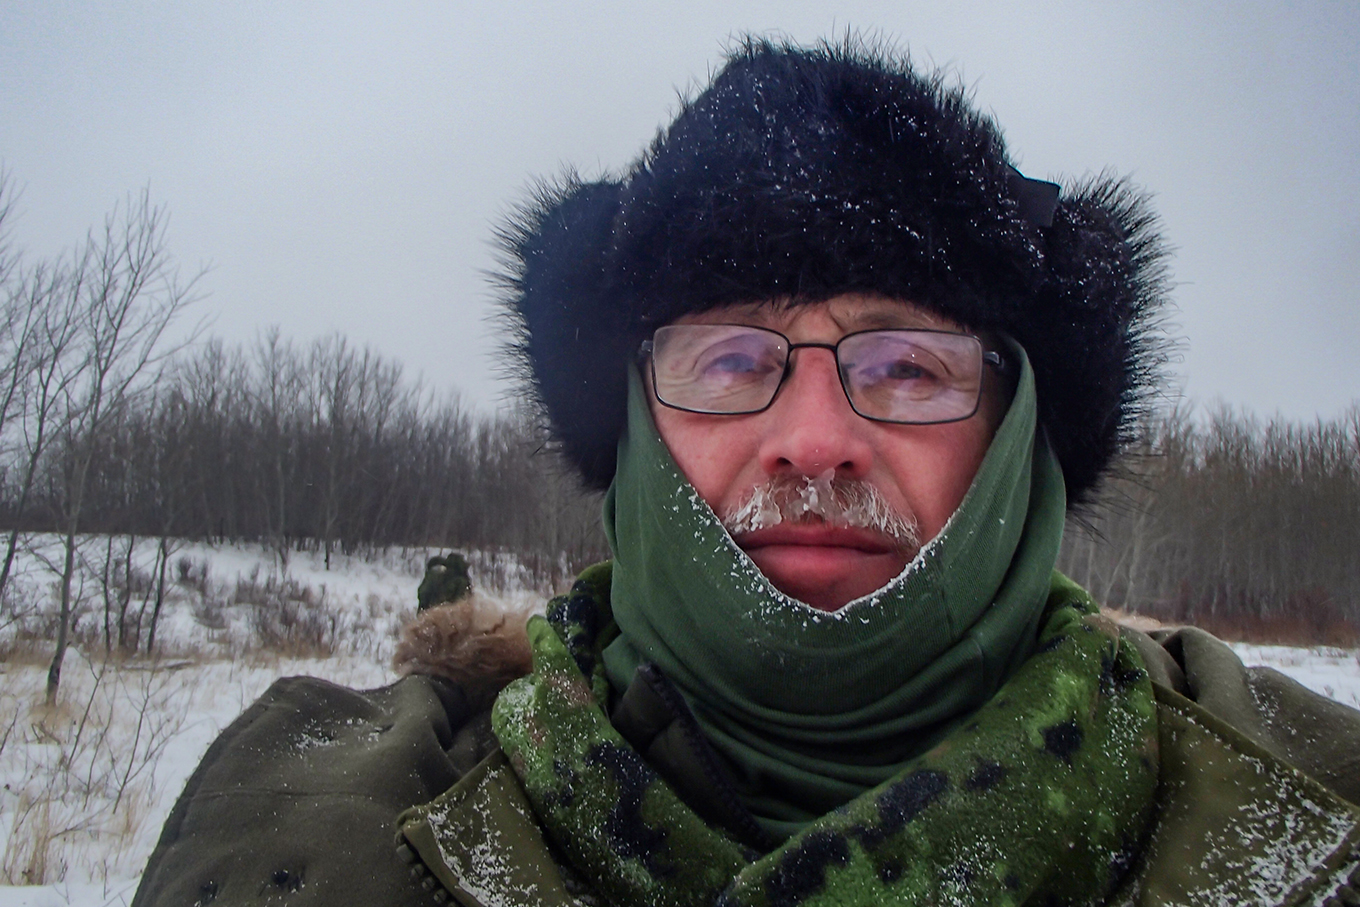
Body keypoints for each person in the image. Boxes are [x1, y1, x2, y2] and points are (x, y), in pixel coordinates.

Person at [133, 38, 1360, 907]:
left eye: (907, 367)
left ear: (1017, 438)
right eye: (728, 358)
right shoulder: (296, 829)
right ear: (627, 420)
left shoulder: (1320, 811)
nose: (815, 437)